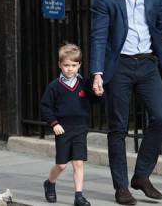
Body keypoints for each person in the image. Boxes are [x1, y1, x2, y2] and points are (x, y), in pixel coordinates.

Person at [90, 0, 162, 205]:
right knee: (118, 128)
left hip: (147, 63)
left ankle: (141, 175)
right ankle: (121, 187)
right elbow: (99, 37)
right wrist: (97, 72)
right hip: (119, 65)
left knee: (160, 118)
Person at [41, 43, 101, 206]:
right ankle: (50, 183)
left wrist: (98, 94)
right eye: (66, 65)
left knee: (78, 162)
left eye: (74, 65)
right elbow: (45, 107)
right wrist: (54, 124)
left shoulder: (84, 84)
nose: (70, 69)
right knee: (61, 165)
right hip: (62, 129)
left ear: (79, 65)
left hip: (80, 128)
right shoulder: (54, 87)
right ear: (60, 65)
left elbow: (94, 101)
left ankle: (78, 196)